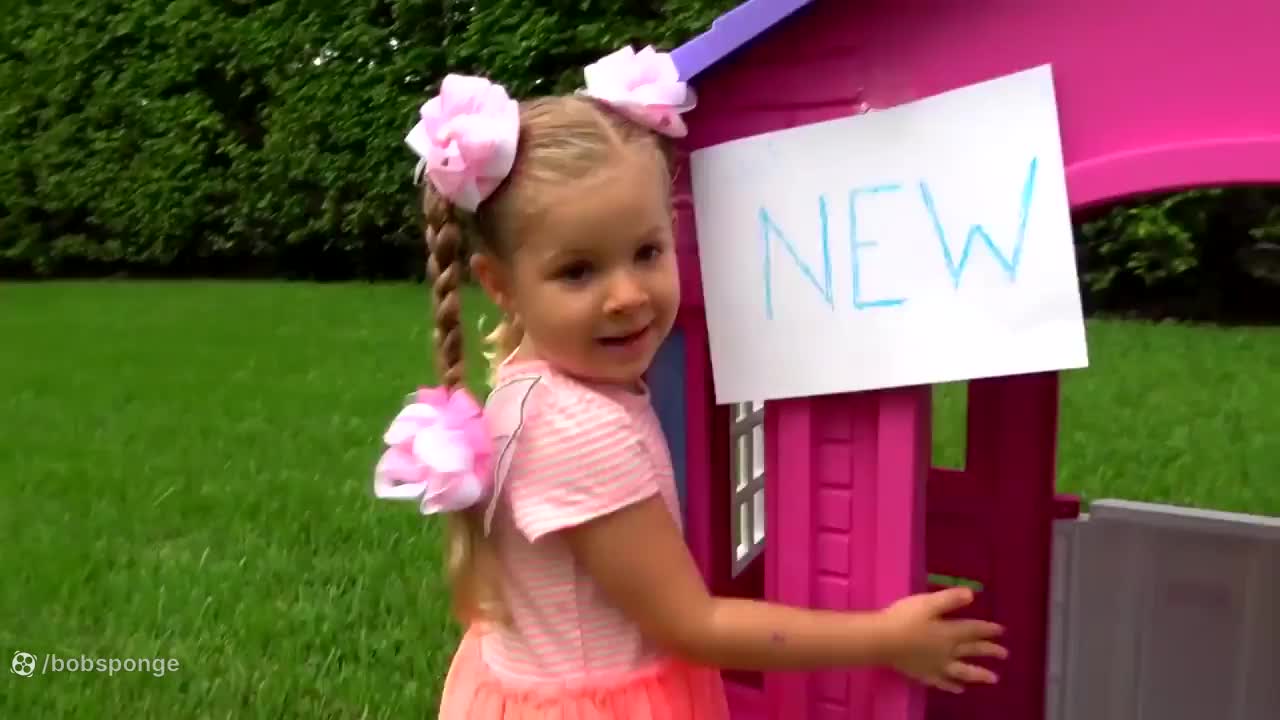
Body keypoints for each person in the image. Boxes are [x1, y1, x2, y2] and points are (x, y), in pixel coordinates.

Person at [373, 45, 1008, 719]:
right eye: (579, 271)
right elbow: (694, 625)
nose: (627, 295)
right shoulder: (577, 429)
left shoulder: (534, 385)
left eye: (647, 252)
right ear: (501, 285)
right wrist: (886, 638)